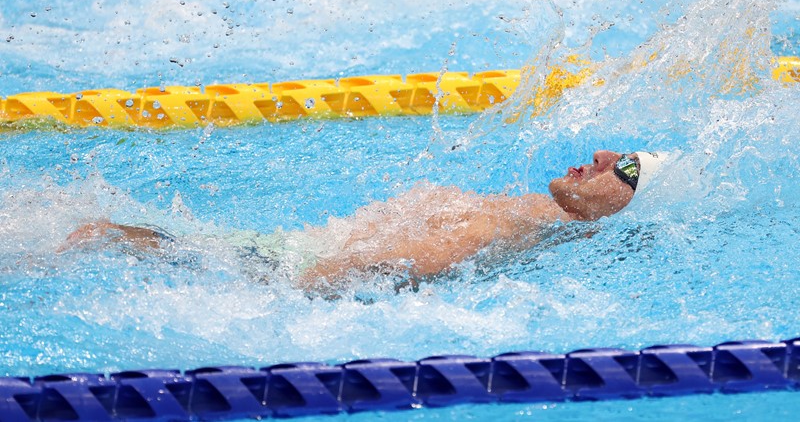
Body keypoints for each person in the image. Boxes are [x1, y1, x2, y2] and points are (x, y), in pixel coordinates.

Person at [61, 150, 666, 292]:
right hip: (295, 250)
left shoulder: (510, 228)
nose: (602, 159)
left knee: (106, 237)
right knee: (107, 235)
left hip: (290, 270)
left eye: (628, 168)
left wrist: (308, 278)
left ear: (623, 205)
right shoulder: (534, 211)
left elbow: (386, 267)